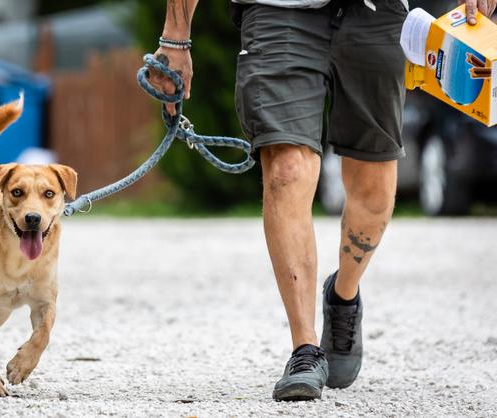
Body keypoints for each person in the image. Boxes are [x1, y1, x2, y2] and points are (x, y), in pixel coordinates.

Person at [148, 0, 496, 402]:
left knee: (373, 186)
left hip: (377, 13)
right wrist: (175, 36)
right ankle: (305, 349)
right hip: (276, 11)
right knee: (286, 169)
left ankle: (343, 294)